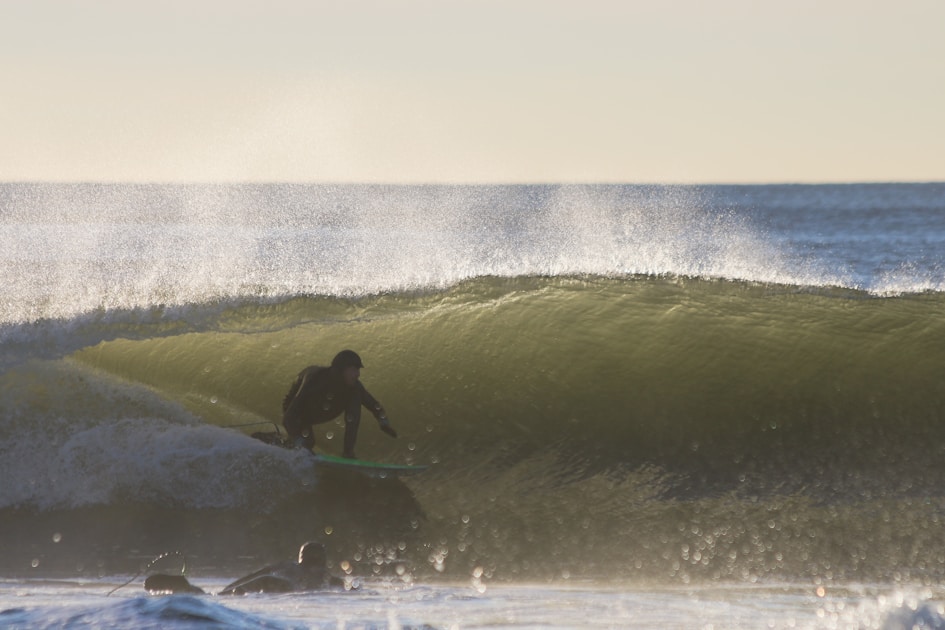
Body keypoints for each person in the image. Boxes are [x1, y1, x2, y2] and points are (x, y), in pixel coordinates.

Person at [282, 350, 397, 459]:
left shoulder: (355, 387)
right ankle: (277, 443)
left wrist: (384, 423)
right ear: (341, 369)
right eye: (354, 369)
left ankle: (348, 452)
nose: (358, 374)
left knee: (355, 399)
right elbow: (289, 416)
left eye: (358, 370)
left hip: (315, 411)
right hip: (296, 410)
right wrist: (300, 444)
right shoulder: (315, 378)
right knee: (307, 443)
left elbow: (375, 406)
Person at [218, 542, 346, 595]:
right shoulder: (329, 577)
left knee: (265, 579)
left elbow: (255, 575)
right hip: (292, 589)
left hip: (289, 587)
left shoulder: (288, 566)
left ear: (302, 557)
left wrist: (227, 590)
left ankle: (229, 593)